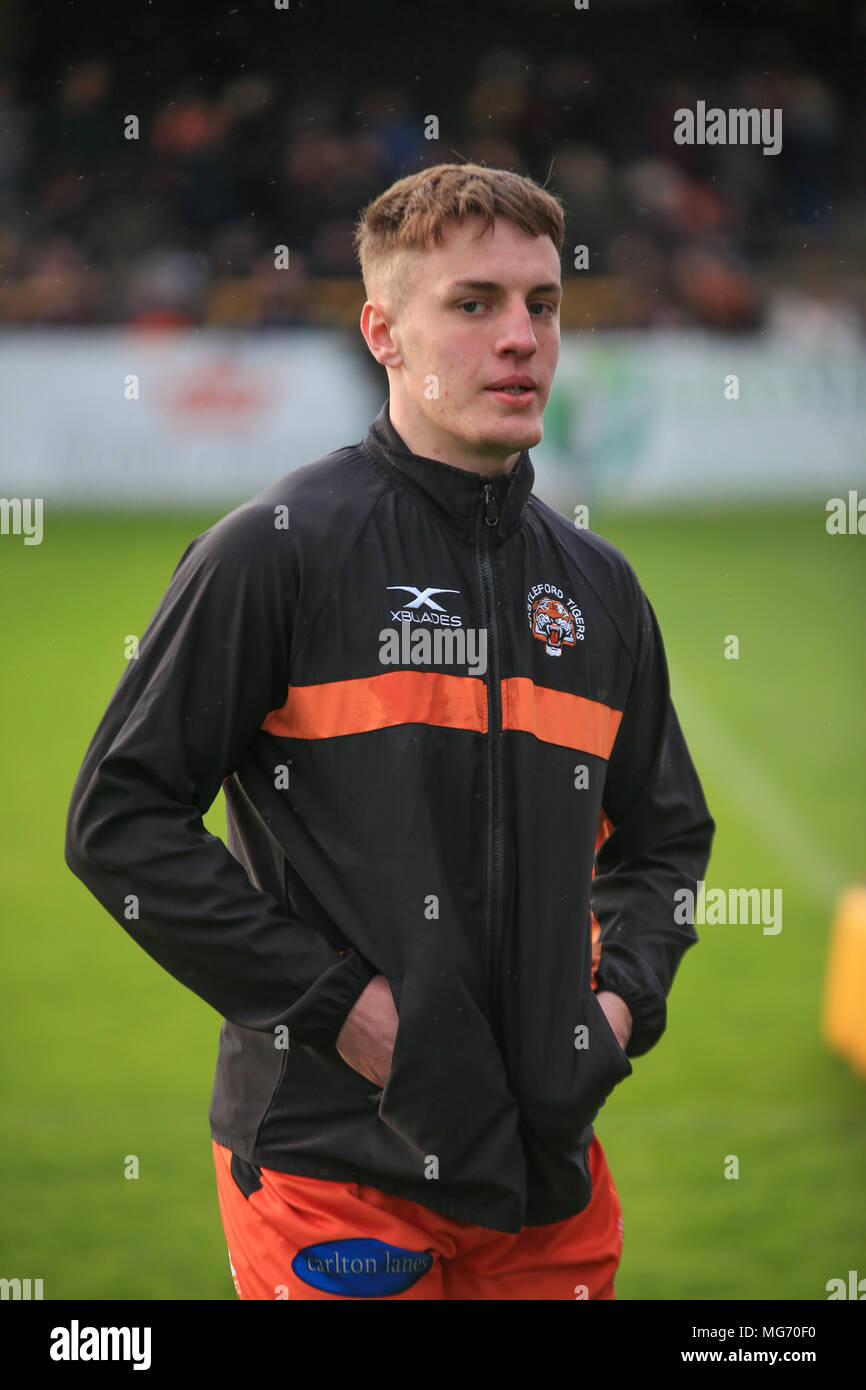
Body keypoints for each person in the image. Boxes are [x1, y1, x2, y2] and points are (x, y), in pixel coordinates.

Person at [65, 162, 714, 1301]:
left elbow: (663, 842)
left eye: (542, 305)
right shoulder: (275, 550)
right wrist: (341, 1013)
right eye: (472, 304)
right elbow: (117, 824)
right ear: (382, 330)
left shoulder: (600, 591)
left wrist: (613, 1012)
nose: (519, 337)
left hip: (544, 1176)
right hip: (332, 1169)